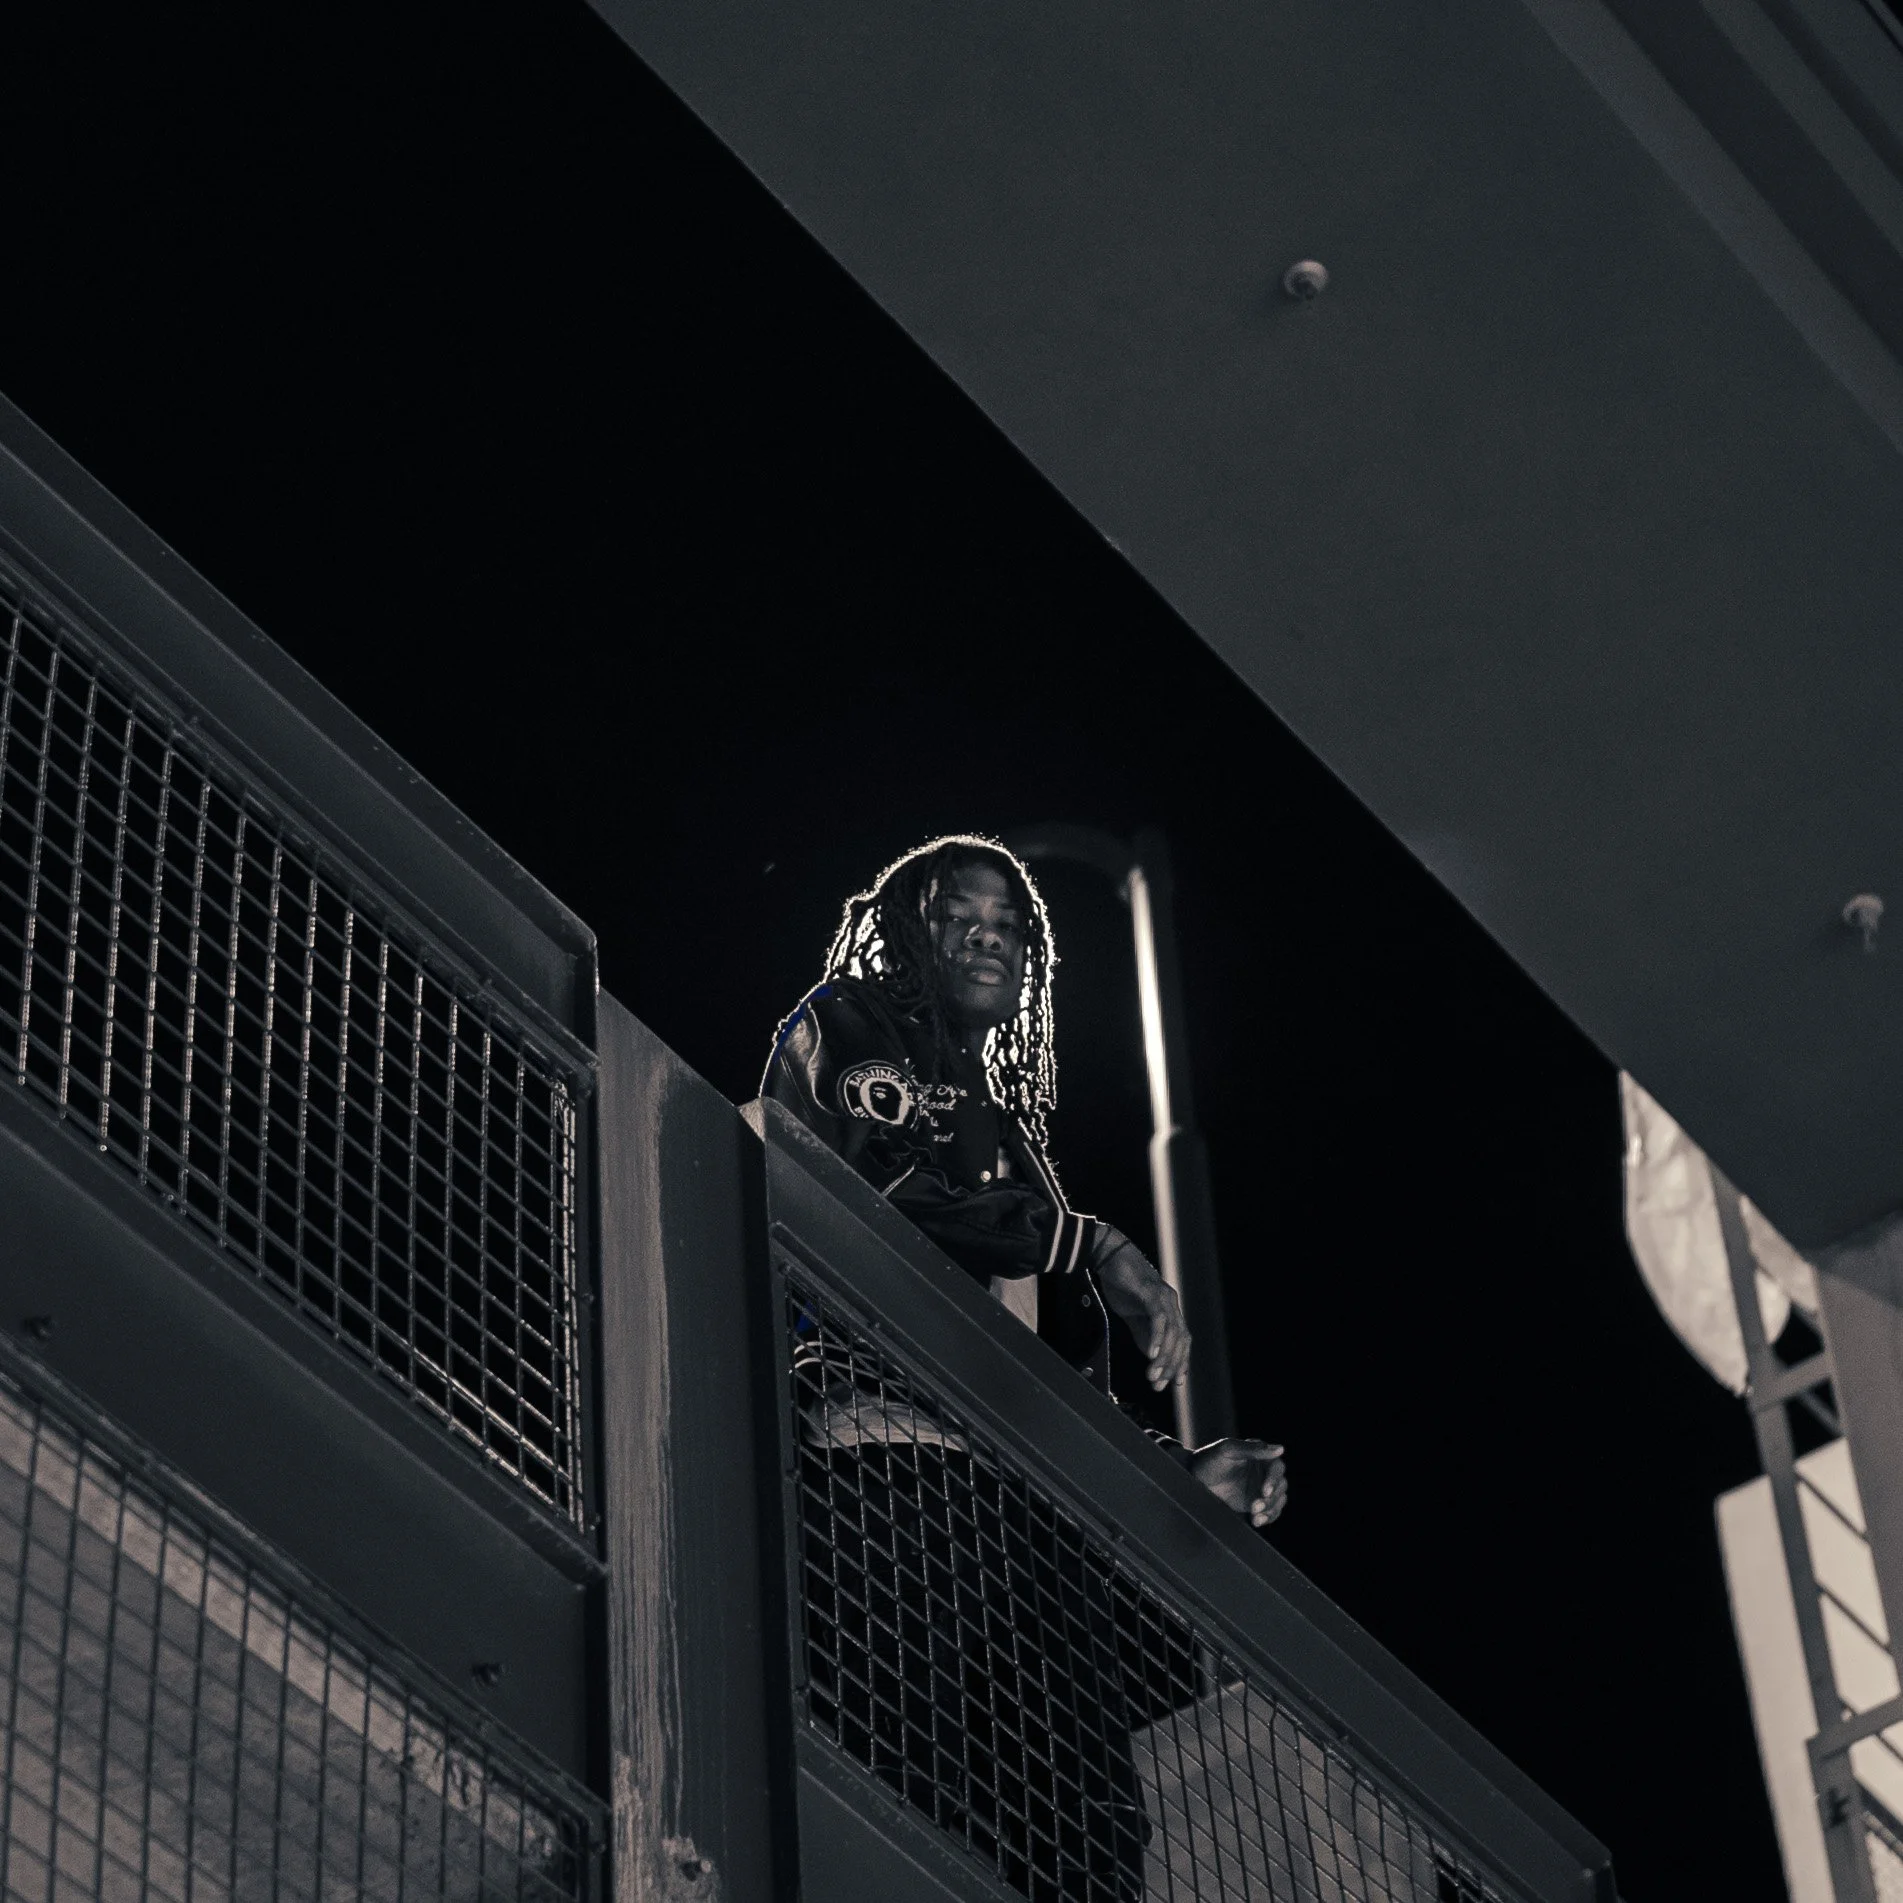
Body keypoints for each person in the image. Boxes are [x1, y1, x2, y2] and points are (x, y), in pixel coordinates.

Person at [762, 835, 1287, 1900]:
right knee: (907, 1788)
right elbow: (863, 1188)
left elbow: (1052, 1383)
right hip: (893, 1472)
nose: (987, 937)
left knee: (1090, 1825)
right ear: (904, 931)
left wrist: (1171, 1475)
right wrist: (1089, 1243)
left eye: (1007, 924)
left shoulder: (1009, 1140)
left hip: (1030, 1516)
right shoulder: (847, 1022)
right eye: (959, 915)